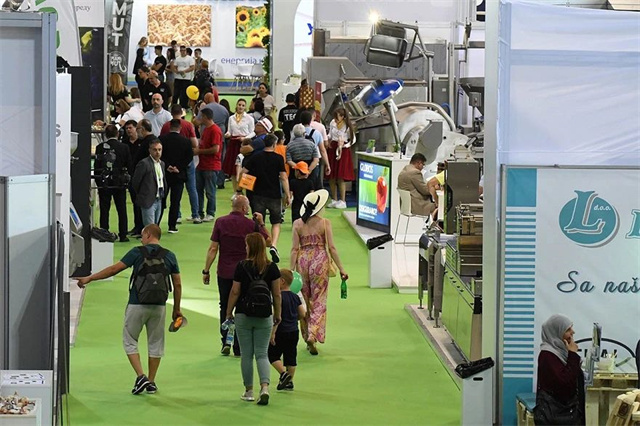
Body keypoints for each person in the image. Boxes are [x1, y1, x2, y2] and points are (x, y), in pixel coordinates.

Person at [76, 224, 182, 395]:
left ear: (148, 235)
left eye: (142, 236)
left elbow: (113, 269)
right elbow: (177, 284)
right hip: (159, 306)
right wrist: (176, 309)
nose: (141, 239)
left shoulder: (137, 252)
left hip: (136, 304)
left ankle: (141, 376)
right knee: (156, 343)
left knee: (130, 340)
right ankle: (151, 382)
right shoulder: (170, 255)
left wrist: (90, 278)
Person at [203, 195, 270, 356]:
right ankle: (239, 345)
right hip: (245, 273)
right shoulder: (251, 224)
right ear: (244, 208)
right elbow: (268, 241)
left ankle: (226, 339)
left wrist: (206, 270)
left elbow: (213, 249)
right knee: (242, 307)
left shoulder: (220, 222)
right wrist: (261, 223)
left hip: (224, 272)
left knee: (224, 305)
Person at [226, 232, 282, 405]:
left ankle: (249, 391)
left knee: (246, 355)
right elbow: (277, 294)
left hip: (243, 314)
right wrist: (277, 314)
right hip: (264, 316)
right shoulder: (272, 267)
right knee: (262, 354)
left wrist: (228, 312)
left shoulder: (241, 266)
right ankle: (264, 388)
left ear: (250, 247)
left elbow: (235, 291)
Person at [290, 189, 348, 355]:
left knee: (303, 299)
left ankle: (307, 335)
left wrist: (291, 270)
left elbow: (294, 249)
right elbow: (332, 248)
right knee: (319, 299)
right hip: (320, 261)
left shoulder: (297, 224)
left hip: (302, 261)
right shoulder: (324, 223)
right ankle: (313, 333)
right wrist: (341, 269)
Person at [242, 134, 291, 263]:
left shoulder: (256, 157)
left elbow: (243, 172)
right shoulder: (278, 158)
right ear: (274, 144)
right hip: (274, 195)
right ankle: (273, 245)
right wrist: (287, 194)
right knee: (276, 222)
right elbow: (283, 177)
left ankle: (259, 249)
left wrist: (243, 187)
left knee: (258, 223)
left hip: (258, 194)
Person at [534, 314, 585, 425]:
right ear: (557, 332)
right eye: (568, 330)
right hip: (555, 417)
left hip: (565, 413)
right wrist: (572, 355)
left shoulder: (561, 352)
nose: (573, 332)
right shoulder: (547, 355)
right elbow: (565, 382)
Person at [161, 104, 200, 224]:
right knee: (191, 188)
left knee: (170, 190)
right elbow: (195, 144)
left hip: (169, 163)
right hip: (185, 162)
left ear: (171, 113)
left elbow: (160, 145)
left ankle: (176, 215)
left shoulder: (166, 126)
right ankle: (196, 214)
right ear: (182, 113)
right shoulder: (188, 125)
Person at [94, 124, 132, 242]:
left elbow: (97, 166)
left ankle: (104, 233)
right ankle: (123, 234)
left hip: (105, 182)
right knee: (121, 209)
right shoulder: (124, 147)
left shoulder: (100, 147)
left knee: (104, 209)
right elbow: (129, 165)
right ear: (118, 134)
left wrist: (99, 182)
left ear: (105, 135)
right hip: (119, 182)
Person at [268, 268, 304, 391]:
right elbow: (302, 313)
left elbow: (276, 316)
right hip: (293, 331)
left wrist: (272, 333)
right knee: (291, 357)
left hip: (280, 331)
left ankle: (283, 374)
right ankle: (290, 382)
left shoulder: (277, 298)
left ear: (282, 281)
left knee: (272, 355)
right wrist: (294, 318)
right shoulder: (295, 297)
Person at [159, 119, 193, 233]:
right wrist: (178, 167)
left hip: (164, 174)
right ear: (180, 128)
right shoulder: (186, 141)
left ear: (170, 127)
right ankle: (172, 226)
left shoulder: (162, 139)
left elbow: (159, 155)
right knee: (175, 201)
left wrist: (167, 166)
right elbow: (189, 157)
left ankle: (156, 223)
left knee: (161, 200)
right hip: (179, 174)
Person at [195, 108, 223, 222]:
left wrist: (199, 151)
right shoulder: (206, 129)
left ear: (205, 117)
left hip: (211, 165)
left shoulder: (215, 130)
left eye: (201, 116)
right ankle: (199, 212)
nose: (200, 118)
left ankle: (210, 212)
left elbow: (216, 149)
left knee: (210, 191)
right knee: (199, 190)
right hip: (202, 164)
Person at [132, 139, 166, 226]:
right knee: (150, 228)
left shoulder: (162, 164)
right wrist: (143, 195)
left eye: (159, 150)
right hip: (148, 200)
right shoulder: (144, 163)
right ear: (149, 150)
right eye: (155, 150)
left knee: (155, 226)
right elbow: (135, 182)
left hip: (159, 199)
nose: (157, 152)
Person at [326, 107, 356, 209]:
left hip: (343, 150)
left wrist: (344, 146)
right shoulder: (332, 123)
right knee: (331, 175)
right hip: (333, 148)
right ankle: (334, 199)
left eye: (337, 117)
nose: (335, 119)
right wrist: (327, 139)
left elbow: (353, 139)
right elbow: (330, 134)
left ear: (343, 117)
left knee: (341, 176)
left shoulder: (347, 126)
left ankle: (343, 200)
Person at [223, 99, 254, 193]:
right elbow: (229, 131)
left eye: (243, 105)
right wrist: (227, 134)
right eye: (239, 105)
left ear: (245, 107)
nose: (240, 107)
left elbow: (253, 132)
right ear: (236, 105)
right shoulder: (231, 118)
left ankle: (245, 190)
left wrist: (245, 138)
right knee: (233, 169)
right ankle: (236, 191)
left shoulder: (249, 118)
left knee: (245, 168)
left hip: (244, 144)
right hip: (233, 144)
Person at [300, 110, 330, 188]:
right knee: (313, 186)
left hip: (299, 162)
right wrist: (327, 164)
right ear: (311, 119)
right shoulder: (317, 132)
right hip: (314, 161)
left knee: (300, 186)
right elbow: (323, 150)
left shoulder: (296, 130)